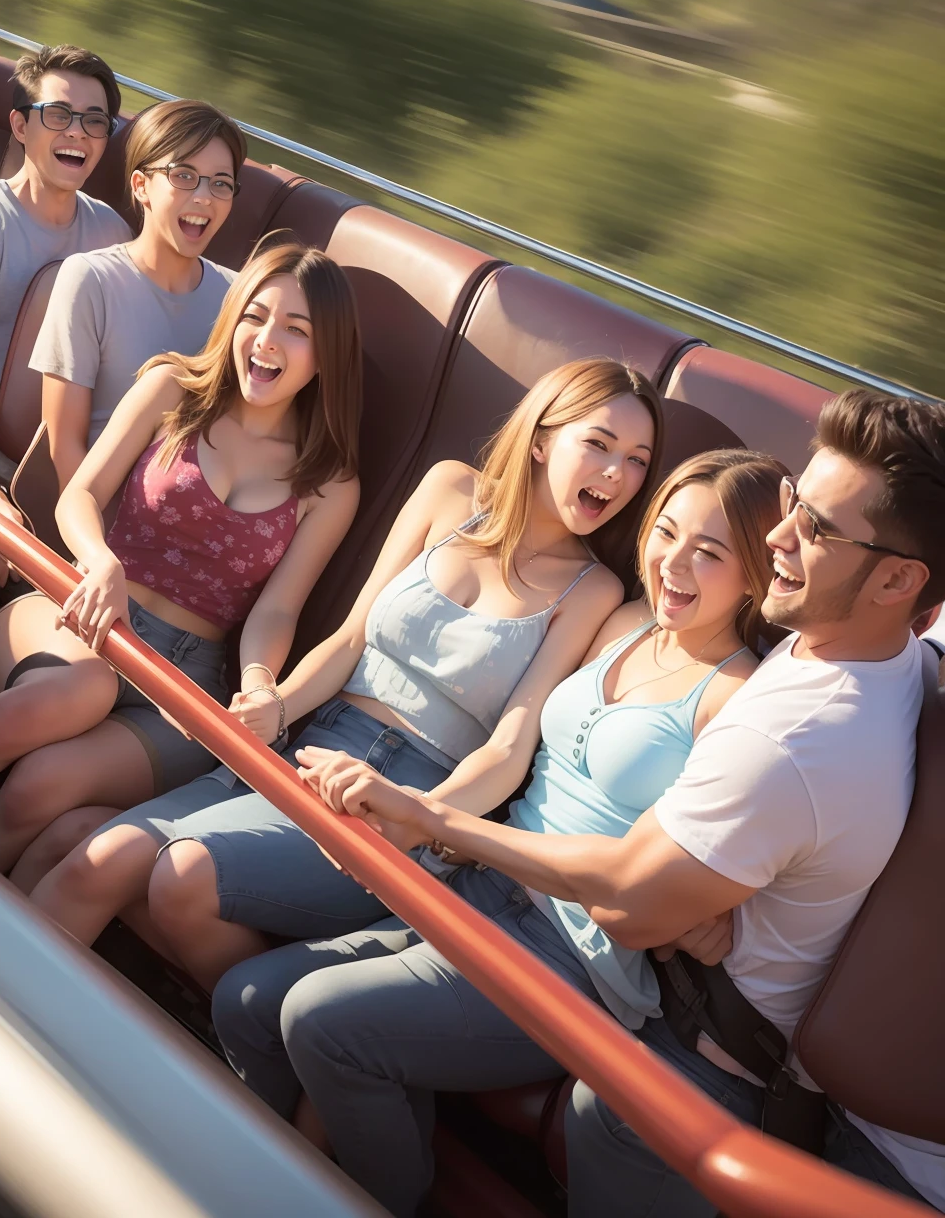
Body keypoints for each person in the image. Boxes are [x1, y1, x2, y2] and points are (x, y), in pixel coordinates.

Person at [314, 388, 937, 1218]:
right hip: (669, 964)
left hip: (702, 1050)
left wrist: (435, 822)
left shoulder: (801, 737)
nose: (780, 538)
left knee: (341, 1032)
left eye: (816, 529)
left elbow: (625, 906)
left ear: (898, 578)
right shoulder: (886, 649)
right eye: (792, 504)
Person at [215, 448, 782, 1217]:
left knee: (322, 1025)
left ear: (754, 573)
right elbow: (515, 744)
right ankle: (276, 1179)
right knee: (244, 1000)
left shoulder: (736, 698)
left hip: (570, 955)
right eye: (666, 533)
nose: (673, 564)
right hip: (477, 884)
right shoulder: (622, 623)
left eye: (709, 554)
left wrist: (700, 918)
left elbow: (665, 870)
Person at [28, 357, 653, 977]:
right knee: (90, 855)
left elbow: (510, 748)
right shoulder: (449, 490)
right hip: (313, 744)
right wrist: (273, 706)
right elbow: (352, 638)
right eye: (598, 444)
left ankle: (250, 1029)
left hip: (411, 794)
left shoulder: (591, 590)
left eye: (636, 460)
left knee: (179, 873)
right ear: (542, 439)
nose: (614, 473)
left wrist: (418, 814)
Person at [0, 239, 364, 876]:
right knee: (81, 685)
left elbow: (277, 610)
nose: (266, 340)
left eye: (295, 330)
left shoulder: (330, 483)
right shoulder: (172, 389)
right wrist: (100, 560)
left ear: (326, 355)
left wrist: (256, 685)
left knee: (42, 785)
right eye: (255, 315)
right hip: (85, 613)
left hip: (187, 680)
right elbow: (79, 494)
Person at [0, 43, 132, 501]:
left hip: (64, 487)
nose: (77, 133)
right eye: (58, 114)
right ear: (20, 124)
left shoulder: (113, 235)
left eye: (94, 121)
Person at [29, 97, 247, 491]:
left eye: (221, 183)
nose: (204, 197)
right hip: (95, 516)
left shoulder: (240, 297)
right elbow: (64, 445)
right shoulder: (89, 279)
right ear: (142, 186)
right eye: (184, 175)